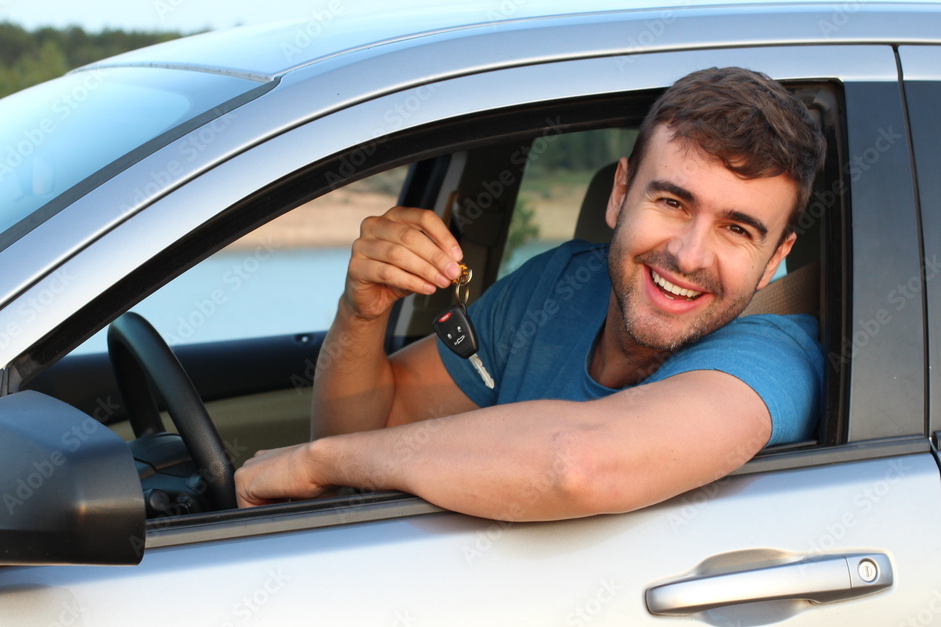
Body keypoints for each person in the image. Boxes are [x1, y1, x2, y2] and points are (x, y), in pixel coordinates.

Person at [234, 67, 827, 521]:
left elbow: (576, 464)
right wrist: (361, 313)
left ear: (776, 256)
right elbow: (370, 428)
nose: (690, 256)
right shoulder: (559, 283)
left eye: (737, 229)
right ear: (620, 193)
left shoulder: (774, 359)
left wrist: (314, 462)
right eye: (672, 202)